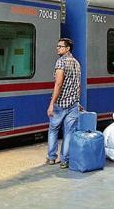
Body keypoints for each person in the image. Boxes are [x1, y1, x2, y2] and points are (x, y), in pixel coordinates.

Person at [46, 38, 81, 169]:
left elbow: (58, 84)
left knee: (53, 130)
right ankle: (64, 161)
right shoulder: (77, 63)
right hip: (73, 104)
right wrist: (77, 100)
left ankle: (51, 157)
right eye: (58, 46)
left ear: (68, 49)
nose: (58, 48)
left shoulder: (60, 63)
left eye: (61, 46)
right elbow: (78, 85)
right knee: (69, 133)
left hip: (60, 104)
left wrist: (51, 103)